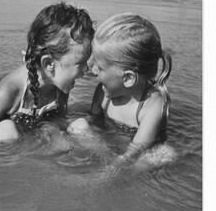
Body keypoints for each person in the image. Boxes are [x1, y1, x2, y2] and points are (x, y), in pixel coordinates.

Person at [0, 2, 94, 142]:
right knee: (7, 130)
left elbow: (58, 118)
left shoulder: (59, 82)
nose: (87, 69)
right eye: (80, 63)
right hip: (4, 140)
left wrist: (52, 130)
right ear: (49, 64)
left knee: (80, 126)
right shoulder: (11, 88)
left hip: (29, 134)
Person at [68, 13, 172, 167]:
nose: (93, 70)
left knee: (165, 154)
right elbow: (95, 120)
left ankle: (119, 176)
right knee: (79, 125)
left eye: (100, 67)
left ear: (128, 78)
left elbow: (137, 149)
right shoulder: (103, 91)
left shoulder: (152, 105)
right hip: (108, 146)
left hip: (135, 154)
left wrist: (117, 165)